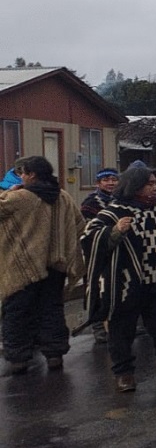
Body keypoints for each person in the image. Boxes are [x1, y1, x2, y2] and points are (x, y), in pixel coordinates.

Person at [81, 165, 156, 392]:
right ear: (134, 185)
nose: (155, 188)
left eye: (155, 183)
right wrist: (114, 232)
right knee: (121, 330)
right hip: (125, 284)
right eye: (149, 184)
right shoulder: (113, 213)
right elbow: (88, 239)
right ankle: (124, 372)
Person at [1, 156, 85, 375]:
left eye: (23, 173)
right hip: (56, 266)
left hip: (23, 268)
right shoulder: (63, 196)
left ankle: (19, 358)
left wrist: (9, 192)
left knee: (17, 312)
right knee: (52, 308)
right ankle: (54, 354)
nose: (21, 177)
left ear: (32, 175)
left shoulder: (20, 197)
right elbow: (79, 224)